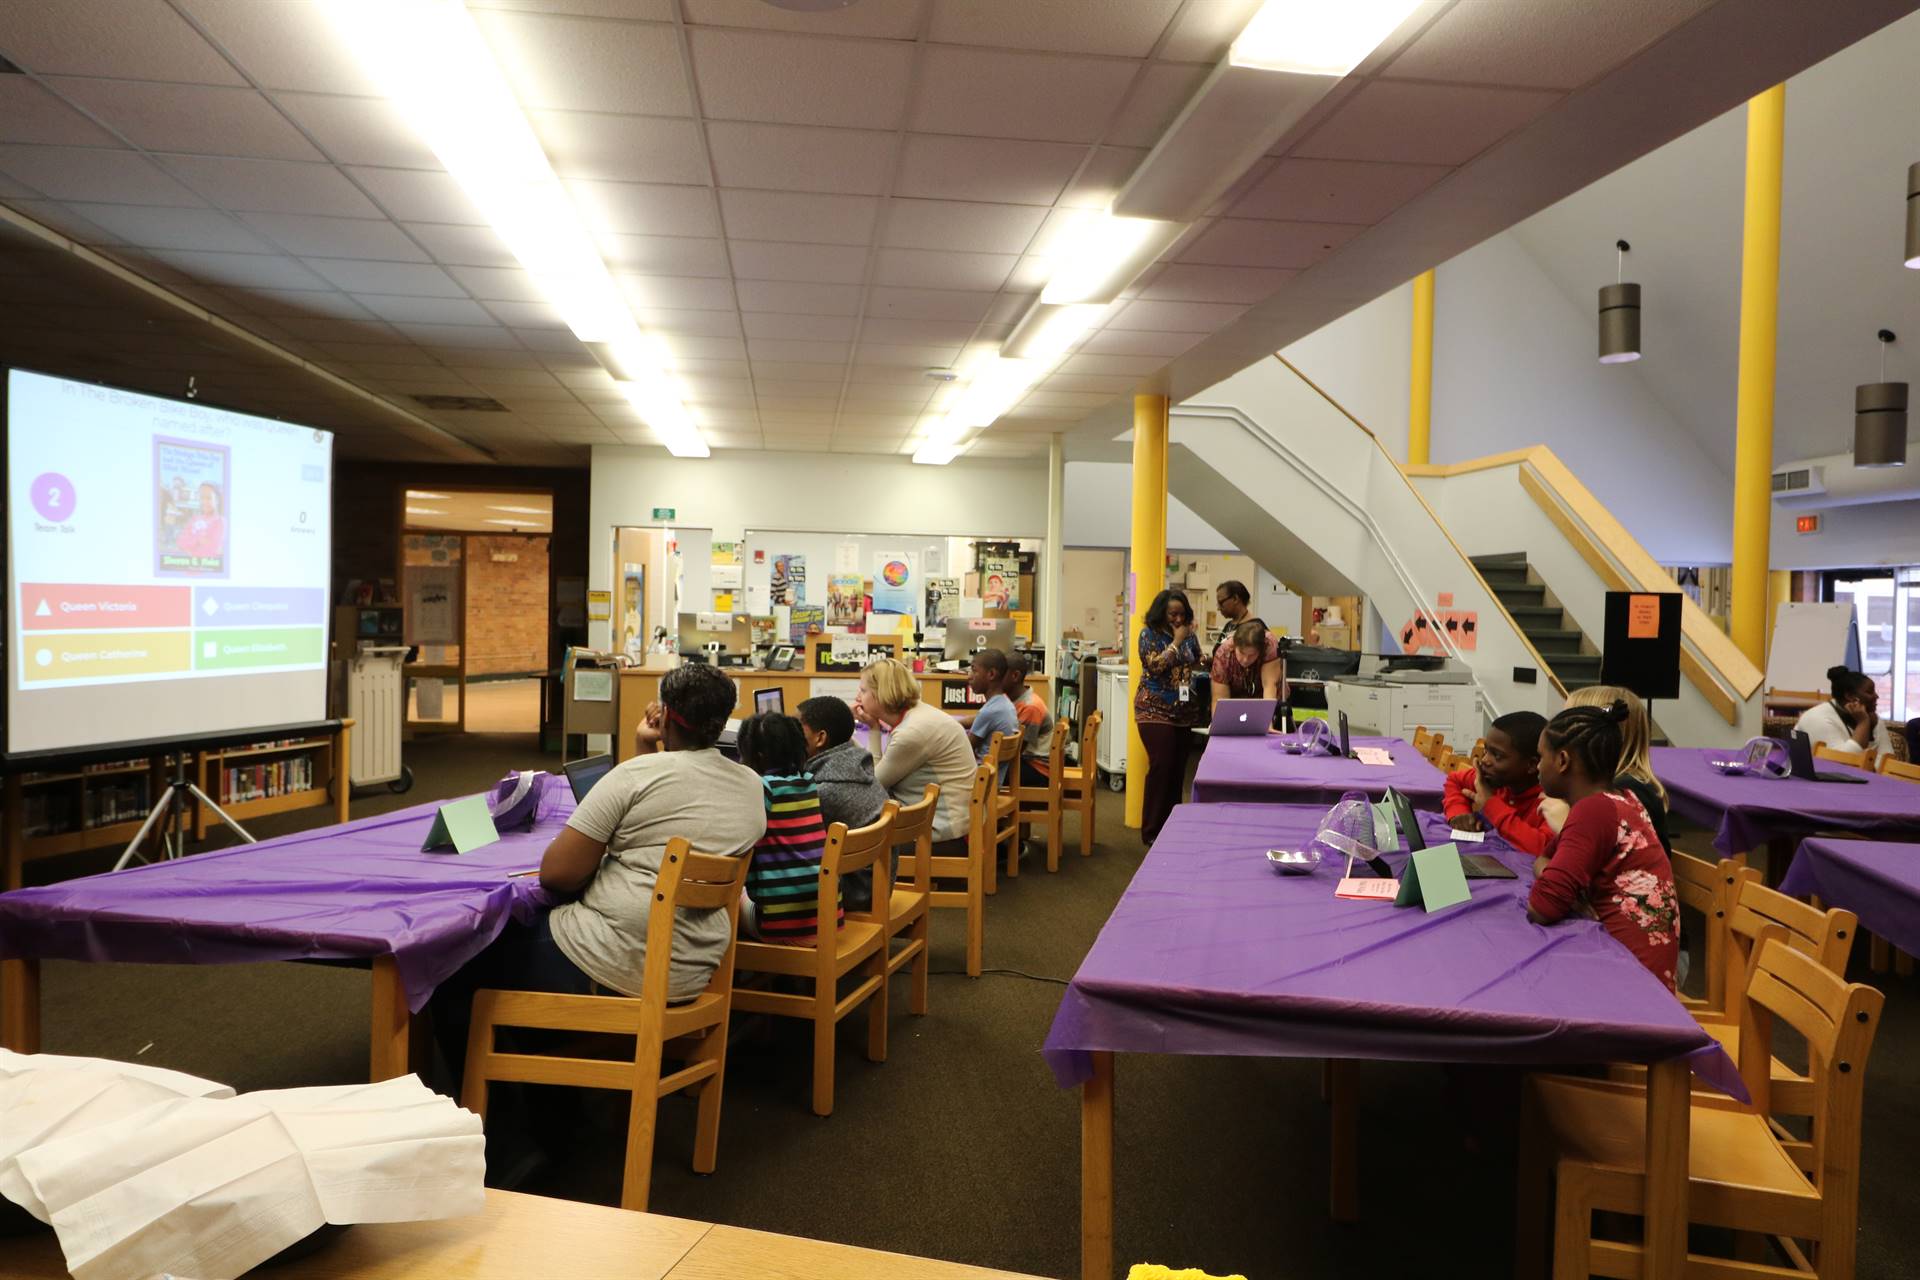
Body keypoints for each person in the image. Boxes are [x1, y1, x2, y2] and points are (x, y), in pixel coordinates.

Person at [428, 664, 764, 1086]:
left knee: (451, 965)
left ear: (666, 714)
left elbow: (557, 875)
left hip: (613, 960)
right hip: (693, 964)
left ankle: (509, 1140)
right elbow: (672, 803)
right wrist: (648, 745)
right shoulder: (751, 787)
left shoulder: (631, 777)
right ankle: (554, 1104)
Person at [1529, 701, 1680, 989]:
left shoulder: (1593, 812)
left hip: (1631, 986)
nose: (1537, 767)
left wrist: (1558, 887)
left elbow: (1542, 907)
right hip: (1631, 969)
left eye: (1540, 757)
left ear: (1562, 761)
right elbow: (1544, 859)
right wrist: (1563, 887)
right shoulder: (1622, 800)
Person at [735, 713, 838, 944]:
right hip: (823, 918)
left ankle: (734, 974)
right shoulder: (808, 782)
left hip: (780, 924)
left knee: (724, 898)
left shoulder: (763, 789)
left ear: (757, 756)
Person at [854, 656, 974, 843]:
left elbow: (874, 787)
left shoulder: (911, 733)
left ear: (881, 694)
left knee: (851, 821)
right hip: (955, 820)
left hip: (939, 830)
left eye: (863, 690)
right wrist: (875, 727)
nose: (857, 697)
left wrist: (874, 730)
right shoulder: (919, 714)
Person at [1553, 685, 1671, 853]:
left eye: (1567, 726)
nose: (1559, 734)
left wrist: (1563, 823)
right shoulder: (1598, 784)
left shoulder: (1628, 790)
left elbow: (1607, 859)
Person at [798, 695, 889, 911]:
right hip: (877, 885)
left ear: (820, 738)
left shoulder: (825, 791)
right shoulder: (856, 768)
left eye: (798, 729)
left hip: (853, 893)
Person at [1134, 588, 1206, 846]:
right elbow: (1155, 666)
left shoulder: (1189, 635)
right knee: (1161, 765)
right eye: (1172, 614)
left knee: (1177, 771)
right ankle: (1151, 831)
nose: (1177, 619)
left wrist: (1207, 659)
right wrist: (1176, 642)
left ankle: (1171, 827)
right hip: (1152, 708)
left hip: (1183, 710)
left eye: (1181, 614)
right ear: (1161, 613)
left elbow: (1197, 660)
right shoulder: (1149, 634)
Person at [1440, 710, 1550, 855]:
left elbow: (1543, 848)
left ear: (1531, 765)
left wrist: (1490, 804)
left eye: (1497, 756)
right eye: (1486, 751)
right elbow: (1455, 780)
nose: (1485, 760)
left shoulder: (1550, 801)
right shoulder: (1493, 780)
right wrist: (1458, 814)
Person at [1794, 666, 1893, 757]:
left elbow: (1887, 758)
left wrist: (1870, 727)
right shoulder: (1816, 718)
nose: (1876, 696)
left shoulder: (1871, 717)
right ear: (1849, 696)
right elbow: (1842, 762)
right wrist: (1863, 723)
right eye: (1869, 692)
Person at [1209, 618, 1286, 710]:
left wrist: (1268, 723)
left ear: (1260, 651)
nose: (1245, 659)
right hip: (1236, 705)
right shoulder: (1223, 654)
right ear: (1234, 646)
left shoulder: (1269, 646)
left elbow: (1269, 689)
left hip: (1271, 704)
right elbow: (1219, 701)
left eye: (1252, 655)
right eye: (1241, 653)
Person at [1004, 651, 1055, 785]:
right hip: (1025, 762)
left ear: (1015, 676)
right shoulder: (1012, 699)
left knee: (983, 773)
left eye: (1000, 674)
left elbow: (1015, 750)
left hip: (1037, 770)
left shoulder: (1030, 707)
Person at [964, 647, 1019, 763]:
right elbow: (978, 719)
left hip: (984, 777)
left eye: (974, 670)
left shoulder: (989, 712)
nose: (969, 676)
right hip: (996, 773)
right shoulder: (1005, 704)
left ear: (991, 674)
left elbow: (964, 750)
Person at [1212, 580, 1256, 649]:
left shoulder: (1255, 627)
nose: (1218, 608)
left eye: (1221, 603)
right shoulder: (1229, 625)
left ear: (1235, 599)